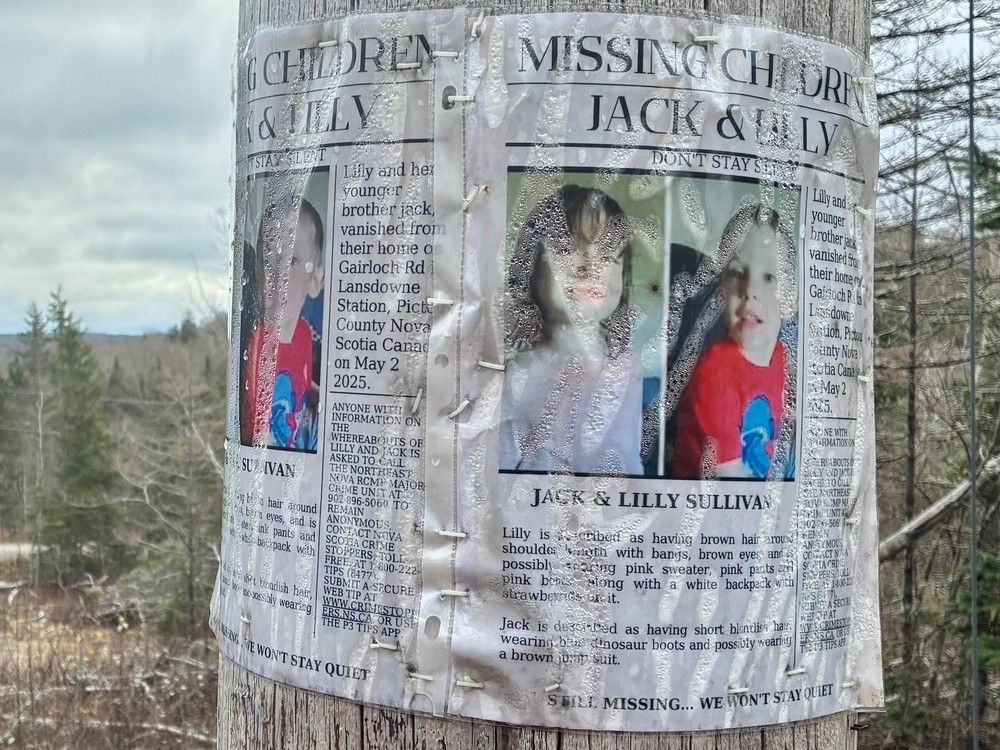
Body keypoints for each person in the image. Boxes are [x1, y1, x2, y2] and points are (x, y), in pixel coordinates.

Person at [499, 185, 643, 475]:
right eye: (569, 249)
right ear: (530, 263)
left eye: (607, 256)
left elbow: (624, 468)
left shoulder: (624, 369)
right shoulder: (508, 361)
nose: (590, 267)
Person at [671, 203, 795, 479]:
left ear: (790, 298)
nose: (750, 290)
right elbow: (731, 480)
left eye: (769, 277)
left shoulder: (782, 355)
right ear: (721, 289)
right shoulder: (716, 370)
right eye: (738, 273)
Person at [240, 194, 325, 451]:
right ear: (258, 274)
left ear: (316, 281)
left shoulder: (305, 334)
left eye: (292, 261)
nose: (279, 275)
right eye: (269, 261)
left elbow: (299, 378)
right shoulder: (255, 345)